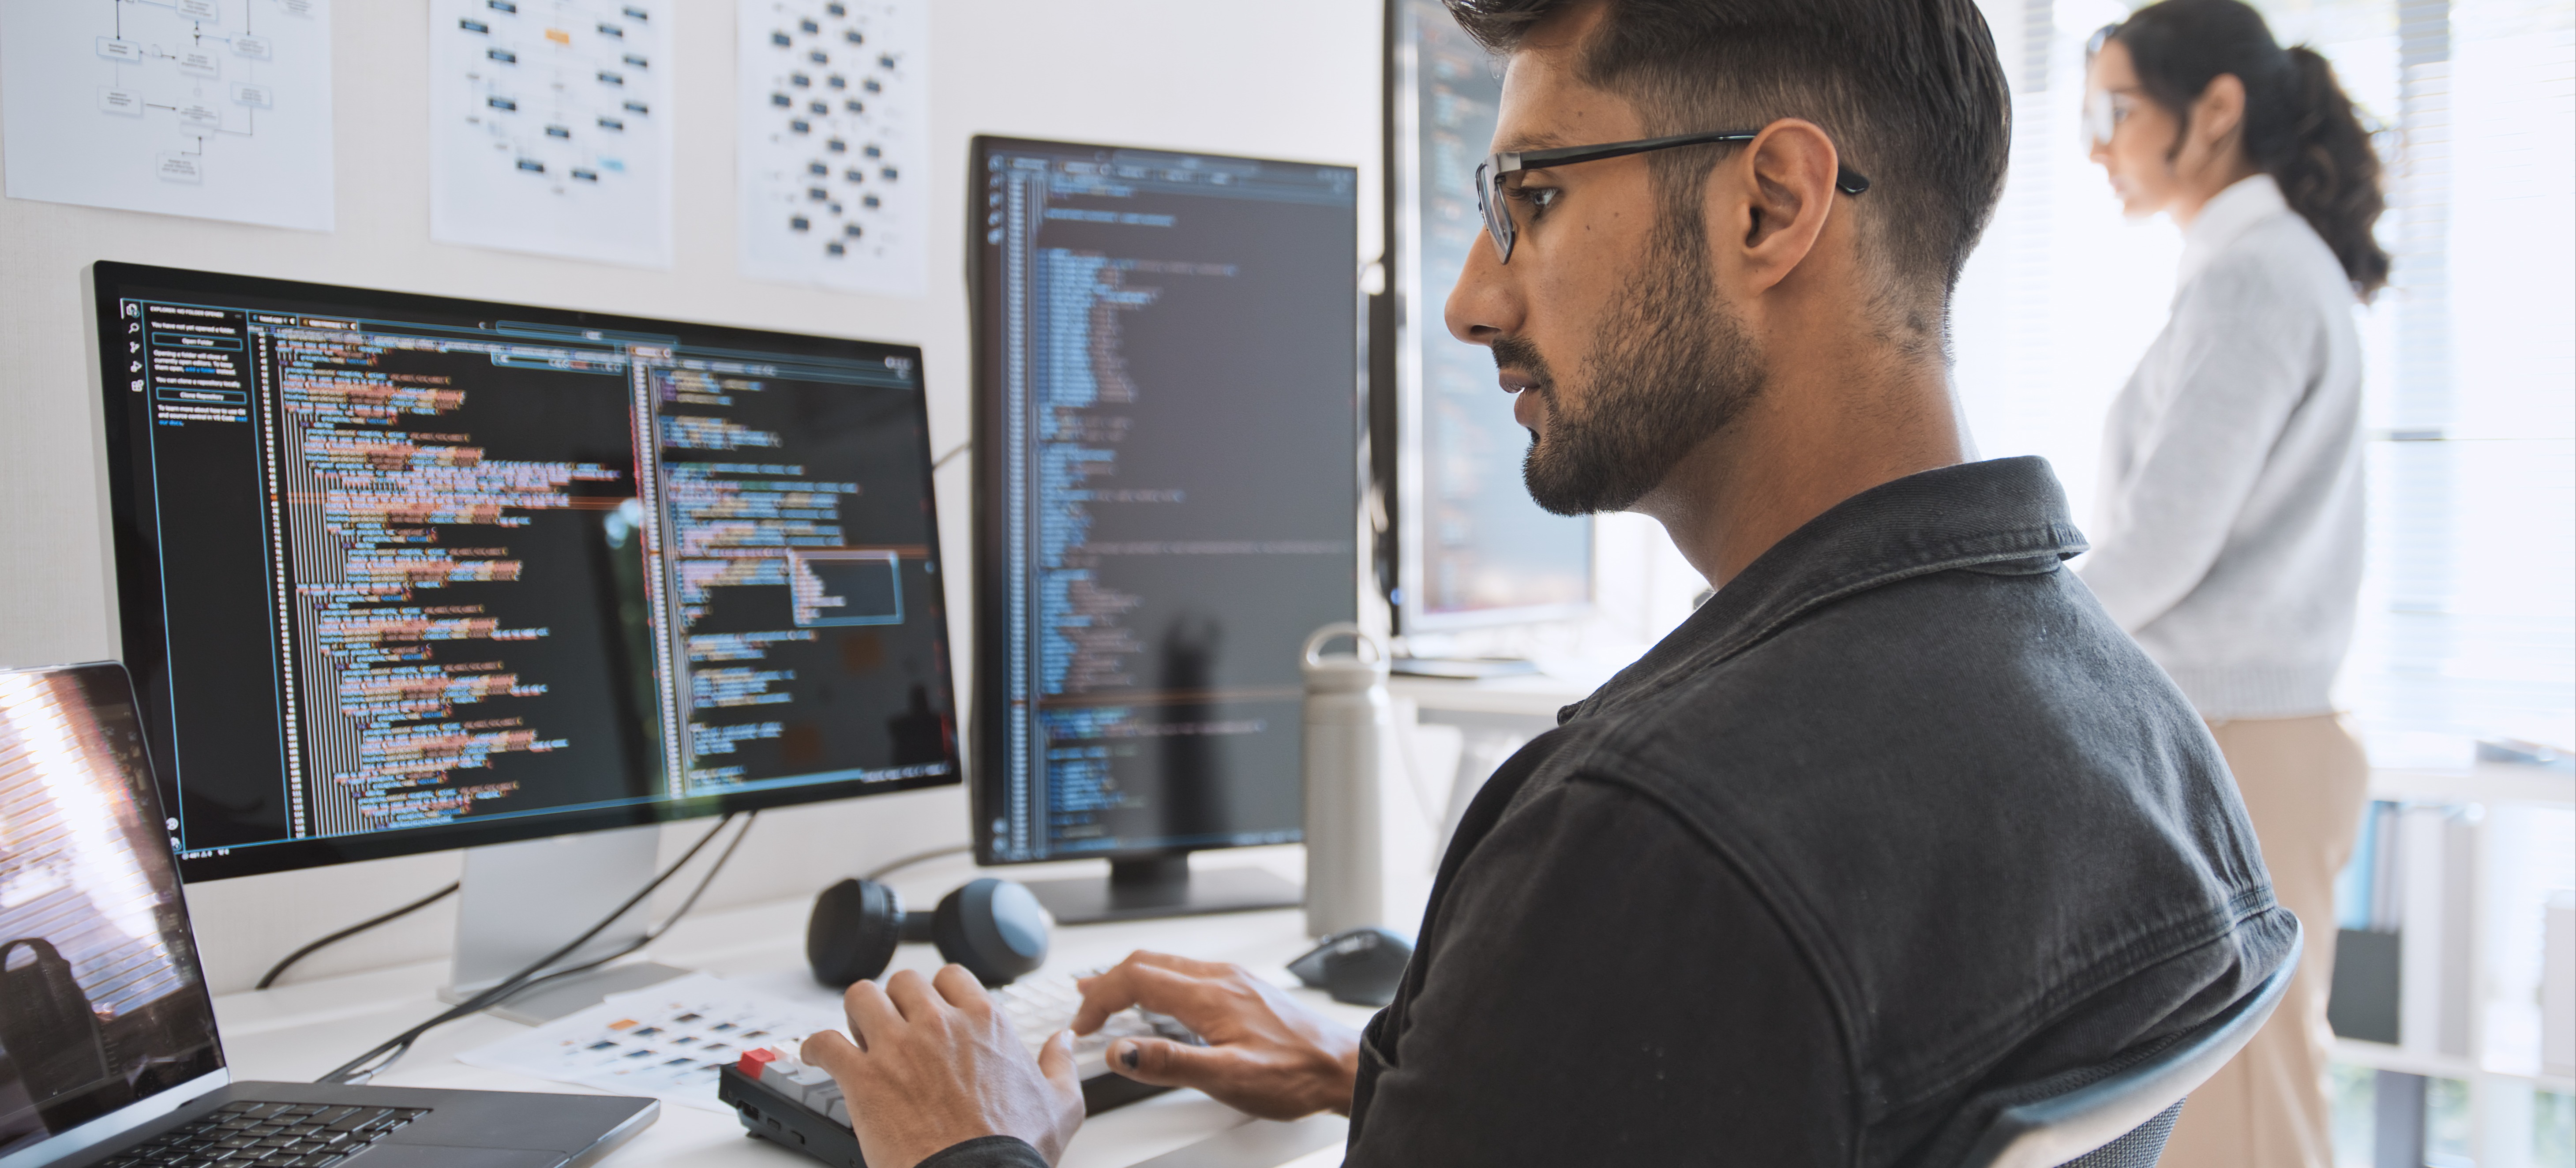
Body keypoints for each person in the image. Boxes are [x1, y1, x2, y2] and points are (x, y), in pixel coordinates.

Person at [798, 1, 2297, 1164]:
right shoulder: (2142, 742)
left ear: (1772, 207)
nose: (1471, 296)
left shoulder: (1651, 837)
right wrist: (1414, 1075)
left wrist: (972, 1146)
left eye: (1533, 196)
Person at [2076, 4, 2386, 1165]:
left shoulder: (2254, 279)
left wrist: (2019, 630)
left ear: (2214, 112)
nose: (2097, 144)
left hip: (2244, 744)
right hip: (2250, 738)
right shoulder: (2256, 270)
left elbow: (2163, 543)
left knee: (2242, 1112)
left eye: (2118, 110)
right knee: (2240, 1100)